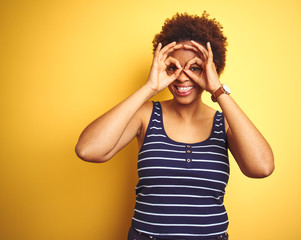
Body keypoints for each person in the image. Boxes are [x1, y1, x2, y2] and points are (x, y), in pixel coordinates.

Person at [75, 12, 274, 240]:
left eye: (195, 68)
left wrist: (217, 90)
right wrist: (150, 87)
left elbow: (262, 167)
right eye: (173, 67)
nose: (182, 77)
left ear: (213, 69)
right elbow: (88, 150)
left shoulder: (225, 123)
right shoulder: (146, 115)